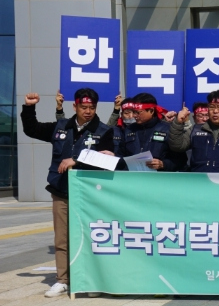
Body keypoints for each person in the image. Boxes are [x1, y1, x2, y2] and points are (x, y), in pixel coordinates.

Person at [20, 88, 115, 298]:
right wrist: (29, 107)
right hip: (61, 191)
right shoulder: (60, 127)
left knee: (90, 237)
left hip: (90, 195)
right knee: (62, 239)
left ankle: (90, 279)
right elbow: (32, 129)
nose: (88, 111)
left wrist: (77, 160)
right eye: (84, 107)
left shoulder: (105, 130)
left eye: (91, 107)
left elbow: (108, 160)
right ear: (75, 106)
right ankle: (63, 280)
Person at [115, 93, 186, 171]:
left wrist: (163, 164)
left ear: (151, 111)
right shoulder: (129, 130)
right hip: (132, 178)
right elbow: (120, 156)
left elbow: (181, 160)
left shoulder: (167, 130)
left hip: (158, 179)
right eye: (133, 112)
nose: (134, 115)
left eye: (138, 112)